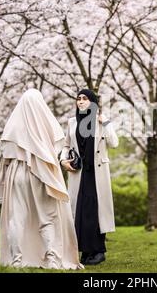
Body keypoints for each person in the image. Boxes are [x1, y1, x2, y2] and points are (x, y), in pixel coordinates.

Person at [0, 88, 83, 270]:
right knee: (47, 217)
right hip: (43, 174)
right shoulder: (46, 124)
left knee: (17, 218)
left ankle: (16, 260)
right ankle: (52, 259)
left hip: (16, 174)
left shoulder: (11, 127)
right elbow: (59, 148)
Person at [60, 89, 118, 265]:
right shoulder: (71, 122)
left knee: (96, 211)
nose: (81, 102)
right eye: (78, 99)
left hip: (97, 173)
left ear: (92, 102)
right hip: (80, 173)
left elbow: (114, 143)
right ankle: (85, 252)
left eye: (85, 99)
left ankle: (99, 251)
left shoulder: (101, 120)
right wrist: (63, 160)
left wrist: (106, 122)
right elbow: (65, 145)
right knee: (81, 212)